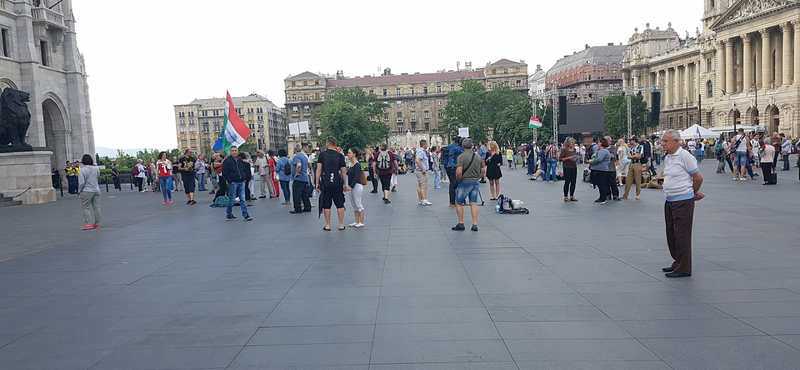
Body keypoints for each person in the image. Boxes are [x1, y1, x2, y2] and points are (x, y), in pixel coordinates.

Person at [661, 129, 704, 278]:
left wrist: (692, 193)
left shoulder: (685, 156)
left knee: (682, 235)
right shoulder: (669, 157)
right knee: (671, 233)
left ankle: (684, 267)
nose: (663, 144)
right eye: (663, 141)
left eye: (666, 141)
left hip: (682, 200)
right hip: (670, 199)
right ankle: (677, 261)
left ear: (676, 141)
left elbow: (698, 178)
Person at [316, 137, 349, 231]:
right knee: (340, 204)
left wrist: (317, 182)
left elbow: (319, 170)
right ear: (335, 145)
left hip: (326, 182)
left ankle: (328, 225)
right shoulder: (340, 156)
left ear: (327, 144)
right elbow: (343, 171)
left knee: (327, 204)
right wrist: (344, 183)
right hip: (337, 182)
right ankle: (341, 224)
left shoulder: (322, 155)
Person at [452, 139, 485, 231]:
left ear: (463, 146)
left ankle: (461, 223)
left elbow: (459, 172)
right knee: (473, 203)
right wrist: (478, 178)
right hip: (475, 182)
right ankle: (475, 224)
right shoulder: (477, 157)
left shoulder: (461, 157)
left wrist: (459, 180)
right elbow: (483, 170)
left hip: (464, 182)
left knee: (458, 202)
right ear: (472, 146)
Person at [222, 146, 252, 221]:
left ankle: (246, 214)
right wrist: (230, 181)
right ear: (230, 152)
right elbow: (224, 172)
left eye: (235, 150)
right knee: (232, 199)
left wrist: (244, 177)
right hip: (233, 182)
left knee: (243, 199)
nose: (234, 152)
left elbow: (243, 169)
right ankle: (229, 214)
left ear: (237, 151)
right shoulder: (227, 161)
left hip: (241, 181)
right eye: (232, 151)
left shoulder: (240, 160)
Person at [77, 154, 101, 230]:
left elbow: (81, 183)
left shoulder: (82, 170)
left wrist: (79, 191)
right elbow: (98, 176)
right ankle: (97, 223)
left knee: (86, 207)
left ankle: (89, 223)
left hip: (87, 190)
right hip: (96, 190)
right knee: (96, 207)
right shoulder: (96, 169)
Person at [290, 143, 312, 213]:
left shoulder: (297, 157)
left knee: (297, 193)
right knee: (304, 193)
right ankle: (307, 206)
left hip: (299, 177)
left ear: (294, 149)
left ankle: (298, 208)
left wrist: (296, 173)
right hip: (305, 177)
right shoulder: (304, 156)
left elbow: (299, 165)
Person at [588, 138, 611, 204]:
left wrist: (591, 161)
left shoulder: (603, 151)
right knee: (600, 183)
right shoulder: (599, 151)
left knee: (601, 184)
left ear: (601, 143)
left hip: (601, 169)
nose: (598, 144)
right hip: (598, 169)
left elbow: (598, 159)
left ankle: (602, 198)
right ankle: (602, 197)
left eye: (599, 142)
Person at [346, 148, 365, 228]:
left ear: (354, 154)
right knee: (354, 204)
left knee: (358, 203)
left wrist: (351, 186)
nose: (348, 154)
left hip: (356, 185)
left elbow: (357, 177)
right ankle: (357, 220)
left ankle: (362, 221)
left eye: (349, 153)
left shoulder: (357, 165)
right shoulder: (351, 165)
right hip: (352, 185)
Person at [443, 136, 464, 207]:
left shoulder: (449, 146)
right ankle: (453, 201)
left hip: (448, 166)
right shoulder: (456, 148)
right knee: (453, 184)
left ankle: (453, 200)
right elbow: (463, 153)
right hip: (453, 166)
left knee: (453, 183)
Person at [559, 137, 579, 202]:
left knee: (573, 181)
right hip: (567, 167)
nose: (573, 144)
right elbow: (560, 159)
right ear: (568, 143)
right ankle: (565, 196)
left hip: (574, 166)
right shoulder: (564, 150)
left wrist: (577, 158)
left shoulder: (574, 149)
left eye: (574, 143)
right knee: (567, 181)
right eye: (572, 143)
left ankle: (572, 196)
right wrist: (568, 158)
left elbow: (574, 157)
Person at [414, 139, 432, 206]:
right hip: (421, 171)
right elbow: (418, 160)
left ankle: (421, 199)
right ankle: (424, 199)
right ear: (424, 145)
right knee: (423, 185)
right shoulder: (421, 152)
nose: (427, 145)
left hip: (419, 170)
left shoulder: (420, 151)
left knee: (420, 185)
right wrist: (423, 169)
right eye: (426, 144)